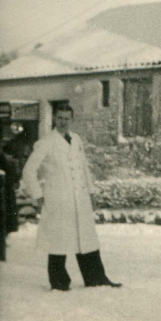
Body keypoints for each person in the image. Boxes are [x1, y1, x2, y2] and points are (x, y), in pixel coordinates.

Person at [21, 107, 121, 290]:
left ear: (72, 119)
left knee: (86, 237)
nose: (63, 122)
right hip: (59, 200)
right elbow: (28, 171)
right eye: (60, 118)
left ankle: (96, 278)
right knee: (58, 241)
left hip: (79, 198)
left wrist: (91, 193)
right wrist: (38, 195)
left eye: (67, 118)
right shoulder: (46, 142)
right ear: (55, 119)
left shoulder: (76, 139)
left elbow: (83, 167)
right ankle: (59, 282)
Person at [0, 140, 22, 234]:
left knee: (9, 210)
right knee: (3, 211)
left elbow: (14, 176)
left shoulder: (8, 161)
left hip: (8, 190)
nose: (11, 157)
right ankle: (4, 230)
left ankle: (8, 229)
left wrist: (15, 181)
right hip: (1, 190)